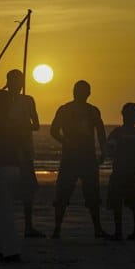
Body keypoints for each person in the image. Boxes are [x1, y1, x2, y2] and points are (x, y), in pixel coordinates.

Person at [50, 80, 109, 239]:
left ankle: (96, 228)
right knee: (64, 192)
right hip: (71, 157)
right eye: (79, 90)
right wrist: (65, 141)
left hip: (87, 157)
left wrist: (103, 151)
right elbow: (54, 131)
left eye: (83, 91)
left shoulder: (92, 111)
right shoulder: (65, 109)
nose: (81, 93)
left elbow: (101, 133)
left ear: (88, 93)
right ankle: (57, 229)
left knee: (92, 194)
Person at [0, 89, 26, 262]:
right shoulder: (12, 124)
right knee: (1, 209)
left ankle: (11, 251)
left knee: (4, 212)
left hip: (1, 170)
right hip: (14, 169)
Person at [3, 69, 45, 238]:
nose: (18, 86)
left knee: (28, 188)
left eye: (20, 82)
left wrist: (23, 126)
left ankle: (28, 226)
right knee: (7, 188)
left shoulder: (28, 100)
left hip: (25, 149)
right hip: (6, 149)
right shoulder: (1, 99)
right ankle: (7, 225)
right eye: (14, 82)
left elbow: (36, 125)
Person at [106, 102, 135, 240]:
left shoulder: (118, 132)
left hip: (120, 171)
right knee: (133, 202)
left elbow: (109, 147)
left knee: (118, 202)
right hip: (132, 171)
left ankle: (119, 231)